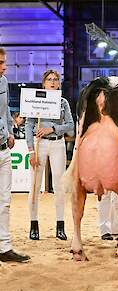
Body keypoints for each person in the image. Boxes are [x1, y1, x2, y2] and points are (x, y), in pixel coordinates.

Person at [25, 69, 74, 241]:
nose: (53, 82)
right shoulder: (35, 100)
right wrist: (31, 150)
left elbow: (70, 125)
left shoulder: (63, 102)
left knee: (59, 186)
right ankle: (33, 225)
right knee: (35, 185)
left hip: (57, 143)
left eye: (56, 79)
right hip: (40, 145)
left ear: (59, 83)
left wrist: (52, 129)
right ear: (43, 83)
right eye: (49, 79)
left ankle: (60, 226)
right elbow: (29, 126)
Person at [0, 47, 30, 262]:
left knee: (5, 201)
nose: (4, 67)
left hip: (3, 148)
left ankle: (4, 247)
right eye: (0, 62)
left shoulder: (3, 81)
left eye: (4, 62)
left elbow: (4, 110)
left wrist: (10, 132)